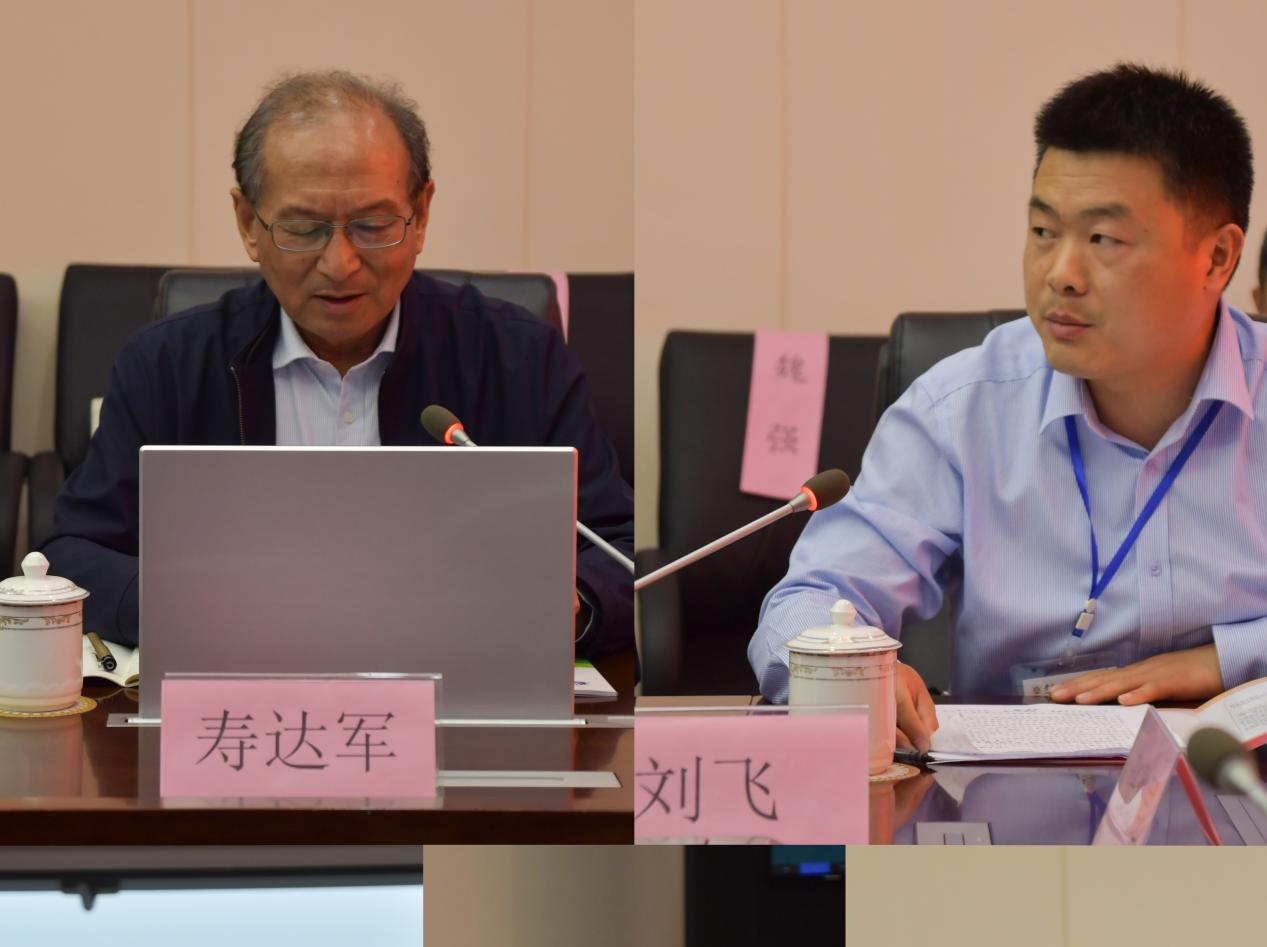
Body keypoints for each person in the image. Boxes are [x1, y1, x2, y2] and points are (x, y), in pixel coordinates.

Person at [751, 65, 1265, 746]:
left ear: (1217, 258)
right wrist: (844, 667)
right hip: (1015, 786)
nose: (1060, 274)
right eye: (1043, 231)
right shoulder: (960, 410)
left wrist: (1224, 661)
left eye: (1103, 240)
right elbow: (810, 600)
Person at [38, 70, 632, 659]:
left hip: (458, 686)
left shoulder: (519, 358)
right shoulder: (166, 365)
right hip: (236, 687)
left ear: (421, 214)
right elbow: (71, 554)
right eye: (304, 229)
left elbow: (619, 551)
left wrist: (576, 604)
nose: (340, 263)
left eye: (373, 226)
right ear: (248, 224)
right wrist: (188, 604)